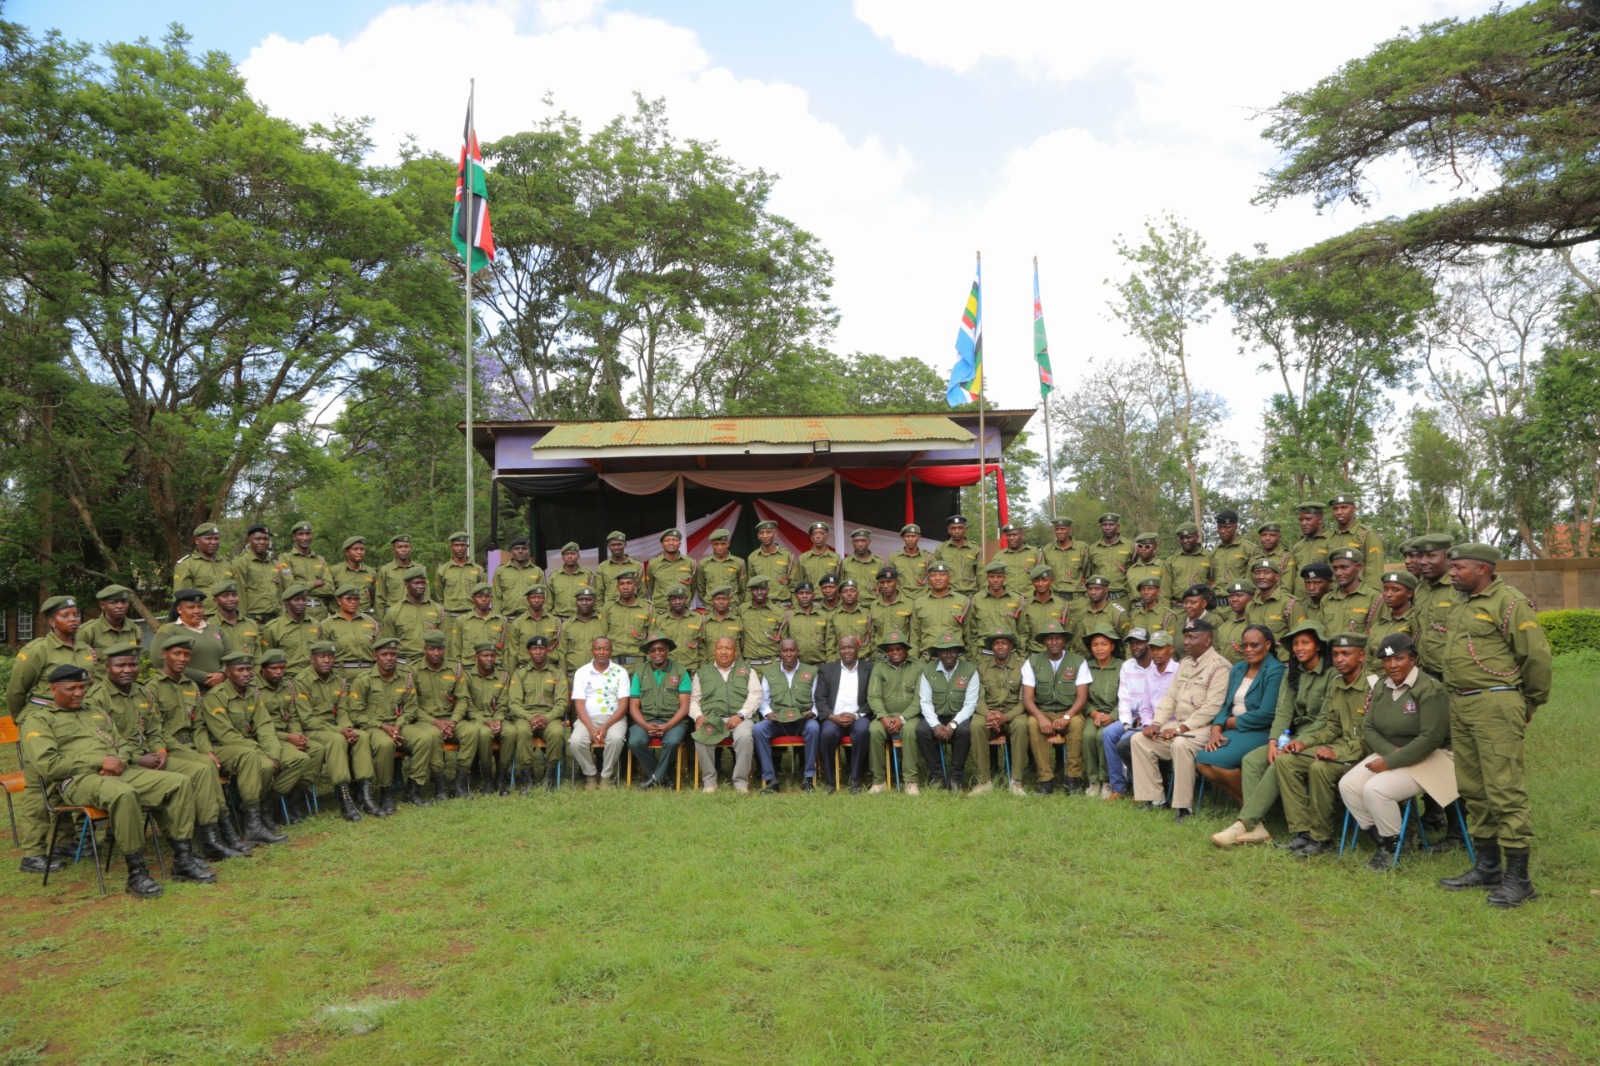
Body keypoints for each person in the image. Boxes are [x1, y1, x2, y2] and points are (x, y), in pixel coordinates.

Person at [24, 664, 214, 897]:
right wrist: (100, 761)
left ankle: (183, 859)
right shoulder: (39, 720)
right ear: (53, 689)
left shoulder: (94, 711)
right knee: (124, 794)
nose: (78, 693)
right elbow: (48, 764)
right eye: (71, 688)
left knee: (179, 783)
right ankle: (137, 872)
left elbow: (123, 744)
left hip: (120, 770)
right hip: (77, 780)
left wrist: (118, 760)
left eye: (82, 687)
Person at [1437, 543, 1552, 907]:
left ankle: (1519, 879)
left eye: (1459, 567)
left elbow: (1536, 656)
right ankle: (1487, 867)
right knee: (1472, 787)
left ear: (1482, 569)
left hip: (1496, 702)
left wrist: (1529, 701)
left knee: (1504, 788)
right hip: (1462, 702)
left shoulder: (1509, 601)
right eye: (1452, 567)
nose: (1452, 573)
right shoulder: (1461, 602)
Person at [86, 643, 245, 860]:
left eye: (132, 664)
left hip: (154, 757)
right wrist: (138, 758)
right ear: (107, 667)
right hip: (125, 763)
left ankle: (211, 838)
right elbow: (102, 740)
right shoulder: (96, 698)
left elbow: (155, 729)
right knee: (182, 780)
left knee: (201, 769)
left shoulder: (141, 691)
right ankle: (191, 844)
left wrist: (160, 750)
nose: (127, 669)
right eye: (120, 665)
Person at [1211, 622, 1333, 849]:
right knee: (1252, 760)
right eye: (1295, 643)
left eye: (1305, 642)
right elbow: (1283, 712)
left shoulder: (1331, 674)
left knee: (1281, 763)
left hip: (1320, 739)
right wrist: (1274, 741)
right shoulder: (1292, 672)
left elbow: (1325, 721)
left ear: (1318, 646)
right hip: (1291, 737)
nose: (1298, 648)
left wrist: (1297, 742)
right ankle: (1257, 827)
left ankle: (1244, 823)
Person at [1339, 634, 1453, 870]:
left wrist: (1391, 761)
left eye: (1399, 659)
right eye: (1387, 660)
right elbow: (1368, 728)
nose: (1392, 665)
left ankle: (1391, 850)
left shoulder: (1430, 689)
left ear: (1412, 659)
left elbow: (1431, 738)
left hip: (1435, 758)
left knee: (1376, 789)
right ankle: (1385, 839)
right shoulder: (1381, 685)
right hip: (1394, 752)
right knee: (1348, 785)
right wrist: (1391, 754)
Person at [1275, 633, 1371, 856]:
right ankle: (1303, 832)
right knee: (1286, 762)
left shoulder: (1374, 687)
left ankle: (1322, 839)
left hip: (1364, 753)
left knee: (1319, 768)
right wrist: (1302, 742)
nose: (1339, 659)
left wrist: (1336, 752)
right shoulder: (1337, 684)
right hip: (1340, 747)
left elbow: (1371, 738)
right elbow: (1330, 727)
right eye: (1336, 654)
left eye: (1346, 654)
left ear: (1362, 656)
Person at [196, 651, 307, 844]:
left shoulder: (252, 695)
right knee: (263, 765)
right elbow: (226, 735)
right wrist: (261, 752)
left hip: (249, 747)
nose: (246, 673)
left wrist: (273, 753)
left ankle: (262, 809)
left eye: (249, 669)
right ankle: (251, 822)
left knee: (296, 759)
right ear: (228, 673)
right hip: (222, 748)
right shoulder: (216, 697)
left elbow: (264, 726)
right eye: (240, 670)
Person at [1129, 618, 1230, 819]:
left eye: (1193, 637)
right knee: (1139, 739)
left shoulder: (1220, 667)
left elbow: (1212, 708)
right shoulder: (1184, 664)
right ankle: (1155, 799)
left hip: (1204, 727)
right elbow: (1170, 698)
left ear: (1208, 640)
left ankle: (1184, 807)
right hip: (1179, 724)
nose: (1186, 642)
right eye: (1185, 637)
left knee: (1181, 744)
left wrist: (1179, 730)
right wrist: (1156, 723)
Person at [1194, 625, 1286, 804]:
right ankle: (1246, 802)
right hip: (1233, 728)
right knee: (1202, 761)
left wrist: (1229, 723)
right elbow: (1225, 704)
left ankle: (1254, 806)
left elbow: (1266, 714)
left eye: (1254, 645)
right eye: (1245, 646)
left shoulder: (1276, 670)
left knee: (1220, 762)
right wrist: (1216, 728)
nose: (1249, 650)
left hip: (1260, 730)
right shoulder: (1238, 668)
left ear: (1267, 645)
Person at [345, 637, 428, 815]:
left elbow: (411, 708)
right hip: (373, 727)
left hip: (400, 725)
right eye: (384, 654)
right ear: (375, 656)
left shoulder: (405, 678)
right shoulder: (363, 680)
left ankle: (413, 790)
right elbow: (356, 714)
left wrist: (398, 725)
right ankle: (387, 792)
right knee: (385, 744)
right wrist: (382, 726)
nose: (389, 658)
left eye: (393, 654)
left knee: (424, 739)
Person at [294, 639, 372, 820]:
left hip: (336, 727)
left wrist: (347, 728)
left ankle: (365, 793)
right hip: (313, 729)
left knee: (362, 736)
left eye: (330, 656)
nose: (327, 661)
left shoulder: (339, 679)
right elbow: (307, 719)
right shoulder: (302, 681)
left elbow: (343, 710)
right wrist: (339, 731)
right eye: (322, 657)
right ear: (312, 659)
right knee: (336, 740)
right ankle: (345, 799)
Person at [1104, 629, 1177, 802]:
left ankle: (1141, 787)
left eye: (1139, 643)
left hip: (1159, 720)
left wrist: (1148, 723)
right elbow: (1124, 698)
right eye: (1132, 643)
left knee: (1127, 741)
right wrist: (1128, 723)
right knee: (1109, 734)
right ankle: (1118, 788)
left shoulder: (1163, 666)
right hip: (1136, 717)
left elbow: (1168, 706)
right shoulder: (1128, 665)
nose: (1135, 647)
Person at [1022, 618, 1091, 795]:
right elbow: (1028, 699)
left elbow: (1082, 697)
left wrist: (1067, 717)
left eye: (1058, 638)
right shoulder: (1032, 662)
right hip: (1042, 711)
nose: (1054, 642)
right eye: (1049, 638)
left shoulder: (1078, 661)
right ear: (1044, 641)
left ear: (1064, 640)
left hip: (1070, 711)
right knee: (1032, 724)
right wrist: (1040, 717)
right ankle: (1046, 780)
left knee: (1076, 725)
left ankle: (1072, 779)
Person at [253, 649, 320, 822]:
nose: (279, 672)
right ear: (263, 668)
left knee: (317, 749)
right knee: (300, 758)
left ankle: (293, 799)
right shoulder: (253, 688)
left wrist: (298, 734)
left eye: (282, 668)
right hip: (266, 738)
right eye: (274, 668)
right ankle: (270, 804)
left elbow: (293, 716)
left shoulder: (288, 686)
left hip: (288, 735)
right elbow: (255, 726)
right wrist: (288, 738)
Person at [688, 636, 761, 793]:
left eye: (728, 648)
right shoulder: (702, 672)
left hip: (741, 718)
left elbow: (755, 695)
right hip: (712, 719)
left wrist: (741, 715)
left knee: (744, 737)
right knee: (701, 737)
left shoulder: (747, 670)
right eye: (720, 648)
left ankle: (741, 782)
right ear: (714, 651)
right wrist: (698, 716)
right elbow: (694, 700)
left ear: (735, 652)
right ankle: (709, 782)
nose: (723, 652)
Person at [753, 638, 820, 793]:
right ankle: (770, 779)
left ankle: (809, 778)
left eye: (792, 650)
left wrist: (813, 712)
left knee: (814, 728)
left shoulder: (811, 672)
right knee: (758, 729)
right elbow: (764, 700)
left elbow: (817, 699)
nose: (789, 654)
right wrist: (767, 713)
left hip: (803, 720)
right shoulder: (769, 673)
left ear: (798, 652)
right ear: (780, 653)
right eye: (785, 651)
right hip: (778, 722)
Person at [626, 633, 692, 791]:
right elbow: (633, 706)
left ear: (667, 650)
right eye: (653, 650)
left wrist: (668, 726)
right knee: (635, 742)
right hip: (645, 720)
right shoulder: (640, 672)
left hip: (674, 721)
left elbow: (685, 706)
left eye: (661, 649)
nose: (657, 653)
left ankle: (655, 778)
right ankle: (663, 777)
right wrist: (645, 725)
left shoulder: (681, 672)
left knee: (672, 742)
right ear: (648, 653)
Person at [915, 631, 978, 791]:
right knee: (922, 731)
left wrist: (953, 724)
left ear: (958, 652)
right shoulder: (927, 670)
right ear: (938, 653)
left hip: (959, 716)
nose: (948, 654)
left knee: (965, 731)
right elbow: (925, 701)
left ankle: (956, 777)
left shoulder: (970, 670)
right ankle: (937, 775)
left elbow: (970, 704)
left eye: (952, 650)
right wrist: (935, 724)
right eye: (944, 651)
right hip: (936, 716)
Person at [452, 641, 516, 796]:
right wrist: (486, 721)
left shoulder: (503, 676)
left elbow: (503, 703)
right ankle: (487, 778)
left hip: (498, 718)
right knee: (485, 734)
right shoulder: (467, 676)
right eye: (485, 655)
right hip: (476, 719)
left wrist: (498, 720)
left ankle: (501, 778)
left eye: (492, 656)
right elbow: (467, 704)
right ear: (476, 657)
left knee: (511, 732)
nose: (489, 659)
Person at [970, 628, 1028, 795]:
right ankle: (984, 781)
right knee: (976, 726)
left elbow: (1025, 701)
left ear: (1011, 646)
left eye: (1004, 643)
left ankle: (1016, 781)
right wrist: (988, 714)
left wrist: (1006, 717)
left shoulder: (1023, 667)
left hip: (1013, 712)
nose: (1000, 646)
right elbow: (977, 698)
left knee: (1022, 725)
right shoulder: (981, 667)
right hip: (988, 713)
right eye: (996, 643)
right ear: (992, 647)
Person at [568, 636, 631, 789]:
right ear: (592, 651)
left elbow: (623, 704)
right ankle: (590, 774)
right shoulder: (582, 672)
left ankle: (605, 777)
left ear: (611, 651)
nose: (601, 652)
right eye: (598, 648)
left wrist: (605, 727)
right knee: (575, 742)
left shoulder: (621, 672)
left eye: (606, 648)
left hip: (614, 719)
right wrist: (591, 728)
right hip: (587, 719)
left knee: (616, 739)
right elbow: (580, 704)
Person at [507, 635, 569, 791]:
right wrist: (530, 718)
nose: (538, 652)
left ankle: (549, 774)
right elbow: (514, 703)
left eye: (542, 648)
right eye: (534, 649)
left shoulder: (558, 674)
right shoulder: (520, 674)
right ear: (528, 651)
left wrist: (546, 717)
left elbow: (562, 703)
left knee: (556, 733)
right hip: (525, 716)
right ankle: (528, 775)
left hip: (549, 716)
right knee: (521, 731)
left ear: (547, 650)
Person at [815, 634, 873, 793]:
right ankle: (830, 780)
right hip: (834, 718)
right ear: (838, 650)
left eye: (850, 647)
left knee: (863, 731)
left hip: (858, 716)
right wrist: (831, 716)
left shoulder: (869, 669)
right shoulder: (827, 669)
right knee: (826, 734)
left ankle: (855, 779)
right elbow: (819, 698)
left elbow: (873, 698)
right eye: (843, 648)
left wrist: (856, 715)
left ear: (858, 649)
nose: (846, 651)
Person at [866, 630, 922, 793]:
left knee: (910, 732)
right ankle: (879, 781)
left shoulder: (918, 666)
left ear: (905, 649)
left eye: (898, 648)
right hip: (885, 716)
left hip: (910, 716)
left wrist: (902, 718)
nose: (895, 652)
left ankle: (910, 781)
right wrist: (883, 717)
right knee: (873, 730)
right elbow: (873, 696)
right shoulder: (879, 667)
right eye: (890, 650)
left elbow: (919, 699)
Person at [1078, 624, 1124, 799]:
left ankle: (1107, 781)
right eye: (1095, 644)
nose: (1099, 648)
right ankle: (1093, 781)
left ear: (1112, 646)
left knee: (1102, 737)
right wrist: (1094, 713)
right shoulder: (1086, 666)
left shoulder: (1122, 666)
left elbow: (1126, 698)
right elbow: (1081, 697)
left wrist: (1112, 717)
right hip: (1093, 713)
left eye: (1104, 644)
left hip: (1114, 713)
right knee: (1089, 736)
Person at [155, 589, 228, 689]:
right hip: (183, 690)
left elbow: (230, 656)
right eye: (191, 607)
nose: (197, 611)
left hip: (219, 690)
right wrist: (205, 678)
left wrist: (222, 674)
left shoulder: (215, 629)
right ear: (179, 609)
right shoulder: (169, 630)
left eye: (200, 607)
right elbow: (159, 661)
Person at [381, 567, 450, 661]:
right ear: (406, 584)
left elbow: (445, 641)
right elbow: (388, 644)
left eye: (423, 583)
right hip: (404, 664)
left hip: (431, 663)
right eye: (416, 583)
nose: (421, 586)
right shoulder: (394, 612)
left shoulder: (438, 610)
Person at [77, 585, 148, 676]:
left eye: (124, 602)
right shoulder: (88, 630)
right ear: (102, 605)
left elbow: (136, 661)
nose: (120, 606)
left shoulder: (134, 629)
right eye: (113, 603)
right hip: (99, 686)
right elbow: (78, 664)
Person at [171, 522, 238, 612]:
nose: (213, 542)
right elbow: (181, 598)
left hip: (227, 618)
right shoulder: (186, 565)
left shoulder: (226, 565)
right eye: (208, 539)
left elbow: (235, 593)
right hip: (203, 619)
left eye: (216, 539)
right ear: (197, 540)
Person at [260, 584, 322, 672]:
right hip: (287, 676)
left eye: (304, 599)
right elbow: (267, 658)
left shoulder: (315, 624)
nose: (301, 603)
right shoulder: (273, 627)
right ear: (286, 603)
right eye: (296, 600)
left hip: (311, 676)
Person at [1327, 493, 1385, 590]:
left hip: (1360, 593)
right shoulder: (1330, 537)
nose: (1339, 512)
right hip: (1335, 594)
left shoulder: (1367, 535)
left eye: (1344, 507)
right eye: (1335, 509)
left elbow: (1374, 570)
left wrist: (1373, 597)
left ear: (1354, 508)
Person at [602, 570, 656, 673]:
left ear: (635, 586)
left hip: (639, 665)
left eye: (629, 583)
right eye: (622, 584)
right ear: (617, 587)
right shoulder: (608, 608)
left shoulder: (648, 608)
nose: (625, 587)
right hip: (613, 665)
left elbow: (653, 638)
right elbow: (602, 636)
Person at [505, 585, 564, 676]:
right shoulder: (518, 623)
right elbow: (513, 653)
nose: (537, 600)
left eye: (540, 597)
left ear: (544, 599)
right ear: (527, 599)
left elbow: (561, 651)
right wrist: (513, 677)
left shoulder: (555, 622)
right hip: (525, 672)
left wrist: (561, 674)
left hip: (550, 671)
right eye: (533, 597)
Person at [233, 524, 286, 623]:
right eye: (258, 539)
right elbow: (239, 594)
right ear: (250, 539)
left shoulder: (274, 564)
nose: (262, 542)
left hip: (276, 620)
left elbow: (279, 593)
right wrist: (242, 622)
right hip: (254, 621)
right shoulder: (241, 563)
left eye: (265, 539)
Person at [320, 584, 381, 670]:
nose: (353, 602)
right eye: (348, 599)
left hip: (368, 673)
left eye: (356, 599)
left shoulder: (370, 621)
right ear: (339, 601)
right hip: (341, 674)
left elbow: (379, 649)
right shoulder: (327, 624)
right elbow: (322, 653)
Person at [966, 562, 1022, 655]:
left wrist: (1021, 656)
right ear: (987, 578)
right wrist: (974, 656)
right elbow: (972, 632)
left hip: (1010, 654)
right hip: (984, 654)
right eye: (992, 577)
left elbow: (1022, 631)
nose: (995, 580)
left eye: (999, 577)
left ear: (1004, 578)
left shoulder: (1016, 599)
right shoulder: (977, 599)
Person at [281, 521, 335, 617]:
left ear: (312, 536)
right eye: (301, 534)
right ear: (294, 537)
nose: (305, 538)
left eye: (308, 534)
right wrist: (314, 584)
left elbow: (330, 589)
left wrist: (300, 587)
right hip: (298, 614)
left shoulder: (320, 560)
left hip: (320, 614)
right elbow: (289, 587)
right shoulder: (286, 558)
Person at [449, 582, 508, 666]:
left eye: (487, 596)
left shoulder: (501, 620)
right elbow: (455, 650)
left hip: (495, 669)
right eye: (479, 596)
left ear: (491, 598)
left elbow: (506, 651)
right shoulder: (461, 621)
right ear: (473, 598)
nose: (483, 599)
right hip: (469, 669)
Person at [1245, 557, 1296, 650]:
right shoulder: (1250, 606)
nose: (1261, 576)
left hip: (1282, 662)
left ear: (1277, 577)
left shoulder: (1289, 604)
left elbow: (1299, 638)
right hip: (1258, 661)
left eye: (1266, 572)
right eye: (1257, 573)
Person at [1018, 565, 1070, 655]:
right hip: (1033, 654)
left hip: (1056, 655)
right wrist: (1022, 657)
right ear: (1032, 582)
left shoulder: (1062, 605)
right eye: (1037, 580)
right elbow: (1023, 634)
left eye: (1044, 580)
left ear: (1051, 580)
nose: (1041, 584)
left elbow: (1067, 633)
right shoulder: (1025, 605)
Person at [1322, 548, 1375, 636]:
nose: (1338, 573)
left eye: (1344, 567)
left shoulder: (1373, 598)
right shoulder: (1326, 600)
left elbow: (1377, 636)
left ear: (1359, 567)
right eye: (1335, 568)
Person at [643, 528, 697, 613]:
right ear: (662, 544)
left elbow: (693, 587)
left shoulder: (690, 563)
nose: (671, 543)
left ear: (679, 544)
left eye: (675, 540)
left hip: (683, 611)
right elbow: (651, 587)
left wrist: (686, 602)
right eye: (667, 540)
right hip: (660, 611)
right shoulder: (653, 563)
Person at [561, 588, 608, 680]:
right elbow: (562, 653)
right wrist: (563, 678)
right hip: (574, 675)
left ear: (594, 601)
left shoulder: (603, 622)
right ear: (576, 601)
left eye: (588, 599)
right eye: (580, 599)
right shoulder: (567, 625)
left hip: (600, 675)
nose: (584, 603)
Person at [375, 534, 427, 617]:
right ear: (393, 549)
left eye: (406, 547)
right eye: (399, 547)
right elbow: (380, 598)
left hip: (416, 613)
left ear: (411, 549)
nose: (403, 550)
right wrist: (381, 622)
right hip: (394, 615)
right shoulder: (385, 570)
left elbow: (426, 595)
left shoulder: (420, 569)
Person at [435, 532, 487, 616]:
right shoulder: (442, 570)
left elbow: (482, 594)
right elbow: (440, 596)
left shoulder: (478, 569)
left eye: (463, 545)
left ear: (467, 547)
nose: (460, 548)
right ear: (451, 547)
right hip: (450, 617)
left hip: (472, 616)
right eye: (456, 545)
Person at [1040, 517, 1089, 605]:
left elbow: (1088, 574)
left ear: (1070, 530)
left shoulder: (1082, 549)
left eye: (1062, 529)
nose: (1059, 532)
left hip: (1077, 601)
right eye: (1057, 529)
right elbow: (1043, 575)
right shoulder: (1047, 549)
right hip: (1054, 600)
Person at [867, 568, 916, 657]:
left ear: (896, 582)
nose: (885, 586)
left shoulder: (909, 604)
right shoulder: (874, 605)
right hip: (880, 656)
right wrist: (874, 654)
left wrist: (911, 655)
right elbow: (872, 634)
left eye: (889, 582)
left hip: (903, 656)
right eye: (882, 582)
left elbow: (914, 635)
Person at [740, 577, 787, 667]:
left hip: (774, 664)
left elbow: (784, 641)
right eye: (755, 589)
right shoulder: (742, 610)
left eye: (763, 589)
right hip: (750, 665)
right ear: (750, 591)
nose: (759, 592)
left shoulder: (779, 612)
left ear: (768, 590)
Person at [1085, 513, 1133, 600]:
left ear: (1117, 526)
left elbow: (1135, 571)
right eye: (1104, 525)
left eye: (1111, 525)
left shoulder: (1130, 546)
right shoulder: (1093, 549)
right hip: (1100, 598)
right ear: (1101, 527)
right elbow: (1090, 573)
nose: (1107, 527)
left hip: (1123, 598)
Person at [746, 520, 795, 604]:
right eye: (761, 533)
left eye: (768, 532)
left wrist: (795, 607)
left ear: (775, 534)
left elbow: (794, 584)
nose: (765, 536)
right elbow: (749, 585)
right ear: (758, 536)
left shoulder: (787, 555)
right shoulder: (752, 557)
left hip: (782, 604)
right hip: (760, 605)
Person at [932, 514, 982, 596]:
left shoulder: (975, 549)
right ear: (949, 530)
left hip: (970, 595)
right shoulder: (941, 549)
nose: (957, 531)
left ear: (965, 529)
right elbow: (934, 574)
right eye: (953, 528)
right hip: (949, 595)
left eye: (960, 528)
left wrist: (981, 596)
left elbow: (981, 574)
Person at [492, 537, 544, 616]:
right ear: (511, 551)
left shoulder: (537, 571)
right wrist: (496, 617)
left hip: (531, 619)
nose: (520, 551)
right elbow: (496, 597)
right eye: (517, 549)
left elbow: (544, 596)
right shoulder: (501, 571)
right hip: (507, 618)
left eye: (524, 548)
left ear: (529, 551)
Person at [207, 583, 261, 660]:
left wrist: (256, 672)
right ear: (215, 600)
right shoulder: (209, 626)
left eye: (234, 595)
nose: (231, 599)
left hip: (249, 671)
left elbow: (258, 656)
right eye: (225, 596)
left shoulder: (251, 624)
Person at [656, 587, 707, 667]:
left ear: (686, 599)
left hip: (692, 668)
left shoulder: (698, 618)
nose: (677, 602)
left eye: (681, 598)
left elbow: (702, 646)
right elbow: (654, 646)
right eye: (673, 599)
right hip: (667, 669)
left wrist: (701, 669)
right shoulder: (660, 620)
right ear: (668, 601)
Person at [1368, 569, 1420, 649]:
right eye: (1385, 589)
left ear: (1409, 593)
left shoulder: (1416, 620)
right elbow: (1369, 655)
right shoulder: (1380, 623)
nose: (1388, 594)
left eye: (1395, 590)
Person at [328, 536, 378, 616]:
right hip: (340, 618)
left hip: (364, 616)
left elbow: (376, 597)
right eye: (355, 549)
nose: (359, 552)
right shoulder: (334, 571)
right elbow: (328, 594)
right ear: (347, 552)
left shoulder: (371, 572)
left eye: (362, 549)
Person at [1071, 576, 1129, 644]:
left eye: (1097, 589)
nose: (1093, 592)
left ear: (1106, 590)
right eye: (1090, 589)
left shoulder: (1118, 613)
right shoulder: (1084, 613)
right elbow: (1079, 641)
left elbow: (1127, 641)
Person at [695, 529, 746, 606]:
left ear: (728, 543)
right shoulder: (703, 563)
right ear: (712, 544)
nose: (720, 547)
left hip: (732, 607)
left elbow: (743, 587)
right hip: (711, 607)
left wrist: (737, 603)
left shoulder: (739, 562)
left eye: (723, 544)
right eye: (716, 544)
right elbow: (700, 588)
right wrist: (707, 603)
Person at [786, 582, 833, 667]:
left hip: (821, 666)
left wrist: (828, 666)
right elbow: (784, 642)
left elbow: (830, 644)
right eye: (801, 593)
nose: (804, 596)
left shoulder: (824, 616)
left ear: (814, 595)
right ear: (796, 596)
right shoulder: (788, 616)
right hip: (796, 667)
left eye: (808, 593)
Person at [547, 542, 597, 620]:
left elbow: (595, 598)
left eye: (573, 553)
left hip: (582, 619)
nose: (569, 556)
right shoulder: (554, 576)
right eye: (566, 554)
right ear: (562, 557)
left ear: (578, 556)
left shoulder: (588, 574)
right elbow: (548, 601)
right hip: (559, 619)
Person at [1209, 510, 1259, 587]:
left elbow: (1256, 579)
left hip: (1239, 596)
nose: (1222, 531)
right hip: (1217, 596)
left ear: (1236, 527)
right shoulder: (1215, 550)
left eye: (1227, 527)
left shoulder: (1250, 549)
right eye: (1219, 527)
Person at [993, 523, 1041, 600]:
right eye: (1008, 535)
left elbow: (1043, 577)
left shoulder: (1034, 553)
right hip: (1006, 600)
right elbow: (993, 579)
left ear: (1022, 535)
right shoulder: (999, 556)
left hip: (1030, 599)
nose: (1011, 538)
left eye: (1015, 535)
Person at [700, 586, 744, 667]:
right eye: (717, 599)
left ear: (729, 600)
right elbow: (701, 647)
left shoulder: (738, 620)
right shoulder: (704, 621)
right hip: (711, 668)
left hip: (735, 668)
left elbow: (743, 645)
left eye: (725, 599)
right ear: (712, 600)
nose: (721, 602)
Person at [1126, 577, 1178, 646]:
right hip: (1138, 655)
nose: (1146, 592)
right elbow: (1130, 642)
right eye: (1142, 589)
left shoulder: (1167, 615)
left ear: (1158, 592)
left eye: (1150, 589)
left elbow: (1169, 643)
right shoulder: (1135, 614)